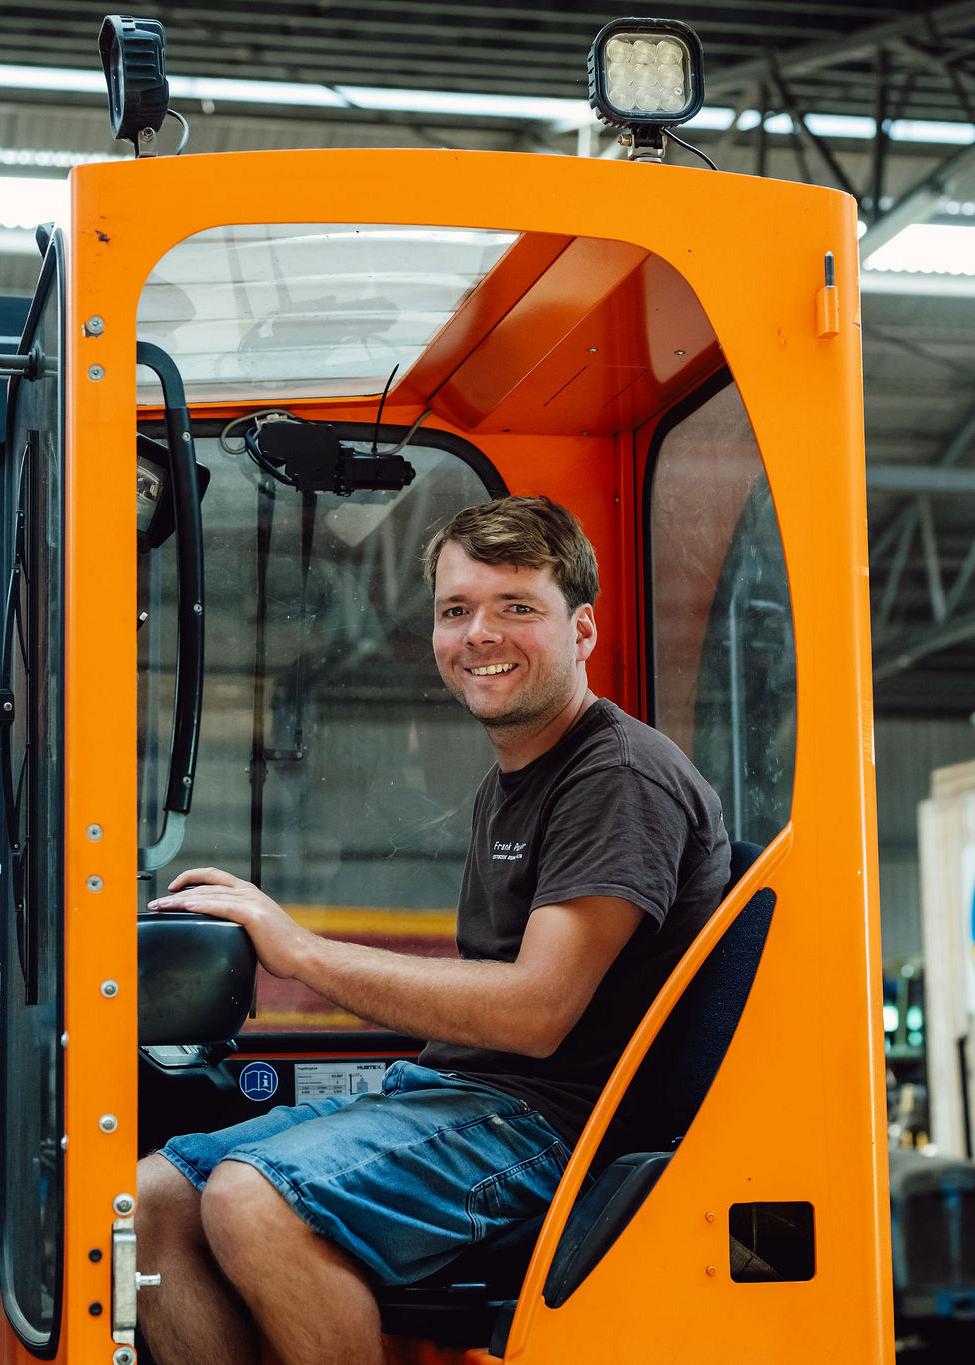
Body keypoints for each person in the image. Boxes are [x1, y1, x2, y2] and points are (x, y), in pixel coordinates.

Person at [136, 495, 730, 1365]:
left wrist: (297, 950)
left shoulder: (620, 778)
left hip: (550, 1125)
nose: (478, 634)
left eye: (516, 607)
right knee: (151, 1197)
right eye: (457, 610)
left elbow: (535, 1011)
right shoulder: (517, 777)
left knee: (252, 1199)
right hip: (459, 1094)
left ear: (583, 630)